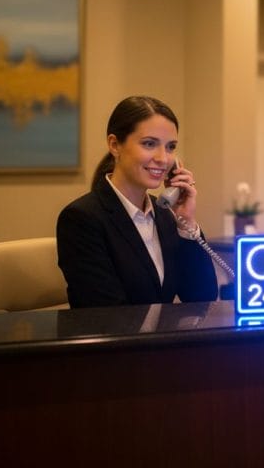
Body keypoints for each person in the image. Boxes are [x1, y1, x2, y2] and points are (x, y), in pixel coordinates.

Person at [57, 95, 218, 308]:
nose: (163, 158)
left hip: (160, 339)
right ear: (115, 145)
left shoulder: (166, 215)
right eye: (149, 144)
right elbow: (106, 313)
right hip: (120, 341)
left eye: (170, 147)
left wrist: (186, 223)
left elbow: (201, 297)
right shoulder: (82, 219)